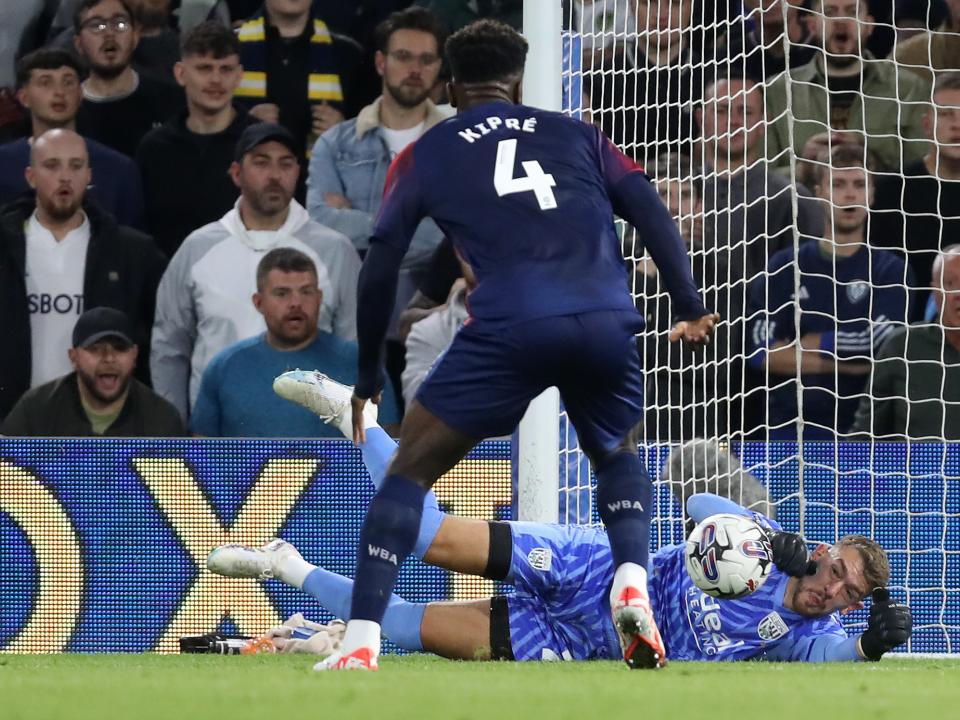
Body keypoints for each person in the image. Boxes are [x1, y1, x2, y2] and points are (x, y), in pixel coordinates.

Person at [336, 20, 717, 671]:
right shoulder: (578, 134)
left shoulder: (426, 152)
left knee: (408, 474)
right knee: (615, 454)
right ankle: (631, 580)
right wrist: (687, 302)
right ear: (516, 82)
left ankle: (360, 642)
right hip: (604, 318)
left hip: (511, 324)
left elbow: (380, 263)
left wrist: (369, 374)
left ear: (450, 87)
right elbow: (649, 206)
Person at [207, 372, 912, 665]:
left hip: (575, 640)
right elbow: (698, 505)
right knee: (427, 537)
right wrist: (768, 535)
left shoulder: (806, 635)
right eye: (836, 571)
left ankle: (285, 564)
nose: (832, 590)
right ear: (823, 551)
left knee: (404, 628)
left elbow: (839, 659)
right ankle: (356, 413)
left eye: (847, 594)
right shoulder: (762, 548)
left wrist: (871, 648)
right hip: (594, 567)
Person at [150, 122, 359, 421]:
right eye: (261, 163)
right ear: (236, 173)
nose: (275, 175)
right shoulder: (197, 249)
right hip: (216, 433)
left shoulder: (335, 251)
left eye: (285, 164)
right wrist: (172, 430)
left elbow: (354, 350)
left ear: (298, 172)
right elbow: (169, 348)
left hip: (311, 433)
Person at [746, 145, 912, 439]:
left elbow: (880, 345)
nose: (850, 195)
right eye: (838, 184)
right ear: (819, 193)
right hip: (789, 431)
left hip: (866, 432)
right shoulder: (785, 266)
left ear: (871, 195)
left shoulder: (891, 270)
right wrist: (846, 366)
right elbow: (761, 353)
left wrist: (812, 342)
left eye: (859, 185)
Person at [0, 128, 166, 420]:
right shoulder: (4, 246)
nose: (65, 177)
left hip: (100, 421)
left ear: (89, 176)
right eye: (52, 166)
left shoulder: (132, 253)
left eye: (75, 166)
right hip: (14, 419)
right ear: (31, 176)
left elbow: (160, 339)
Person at [190, 248, 398, 438]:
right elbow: (201, 452)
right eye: (282, 293)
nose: (296, 303)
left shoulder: (361, 363)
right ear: (258, 302)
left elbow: (391, 447)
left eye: (306, 292)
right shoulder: (224, 367)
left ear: (319, 298)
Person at [307, 6, 451, 272]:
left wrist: (354, 220)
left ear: (439, 66)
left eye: (427, 59)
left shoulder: (458, 147)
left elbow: (448, 237)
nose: (415, 69)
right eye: (403, 57)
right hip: (350, 284)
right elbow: (321, 223)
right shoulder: (334, 144)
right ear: (380, 63)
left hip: (428, 290)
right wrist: (413, 227)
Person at [135, 21, 259, 258]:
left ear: (239, 76)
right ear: (180, 74)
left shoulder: (261, 144)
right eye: (205, 68)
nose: (216, 79)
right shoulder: (154, 149)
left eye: (226, 69)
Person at [764, 0, 929, 174]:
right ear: (812, 26)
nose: (841, 21)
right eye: (829, 12)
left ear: (869, 26)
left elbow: (921, 172)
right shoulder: (776, 91)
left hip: (883, 192)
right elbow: (758, 177)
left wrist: (868, 156)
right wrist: (803, 169)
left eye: (852, 11)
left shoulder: (909, 88)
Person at [0, 49, 144, 228]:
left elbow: (132, 239)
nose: (59, 92)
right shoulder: (3, 164)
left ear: (80, 94)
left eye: (68, 82)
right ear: (24, 97)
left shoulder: (118, 169)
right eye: (45, 83)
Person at [1, 306, 183, 436]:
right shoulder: (35, 409)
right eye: (95, 349)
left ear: (134, 355)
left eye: (120, 348)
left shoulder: (162, 418)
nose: (109, 358)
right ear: (73, 357)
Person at [872, 72, 960, 315]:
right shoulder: (890, 191)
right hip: (904, 328)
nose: (957, 125)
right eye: (946, 114)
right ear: (926, 124)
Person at [850, 246, 960, 440]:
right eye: (949, 283)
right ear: (934, 292)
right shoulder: (901, 347)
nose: (958, 293)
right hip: (914, 460)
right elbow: (862, 438)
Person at [234, 0, 346, 163]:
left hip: (321, 175)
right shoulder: (228, 49)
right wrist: (243, 122)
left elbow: (366, 134)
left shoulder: (348, 53)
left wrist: (343, 130)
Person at [74, 0, 185, 156]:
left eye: (120, 24)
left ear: (135, 37)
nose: (109, 33)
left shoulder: (173, 100)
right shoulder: (67, 108)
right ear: (79, 44)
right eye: (97, 26)